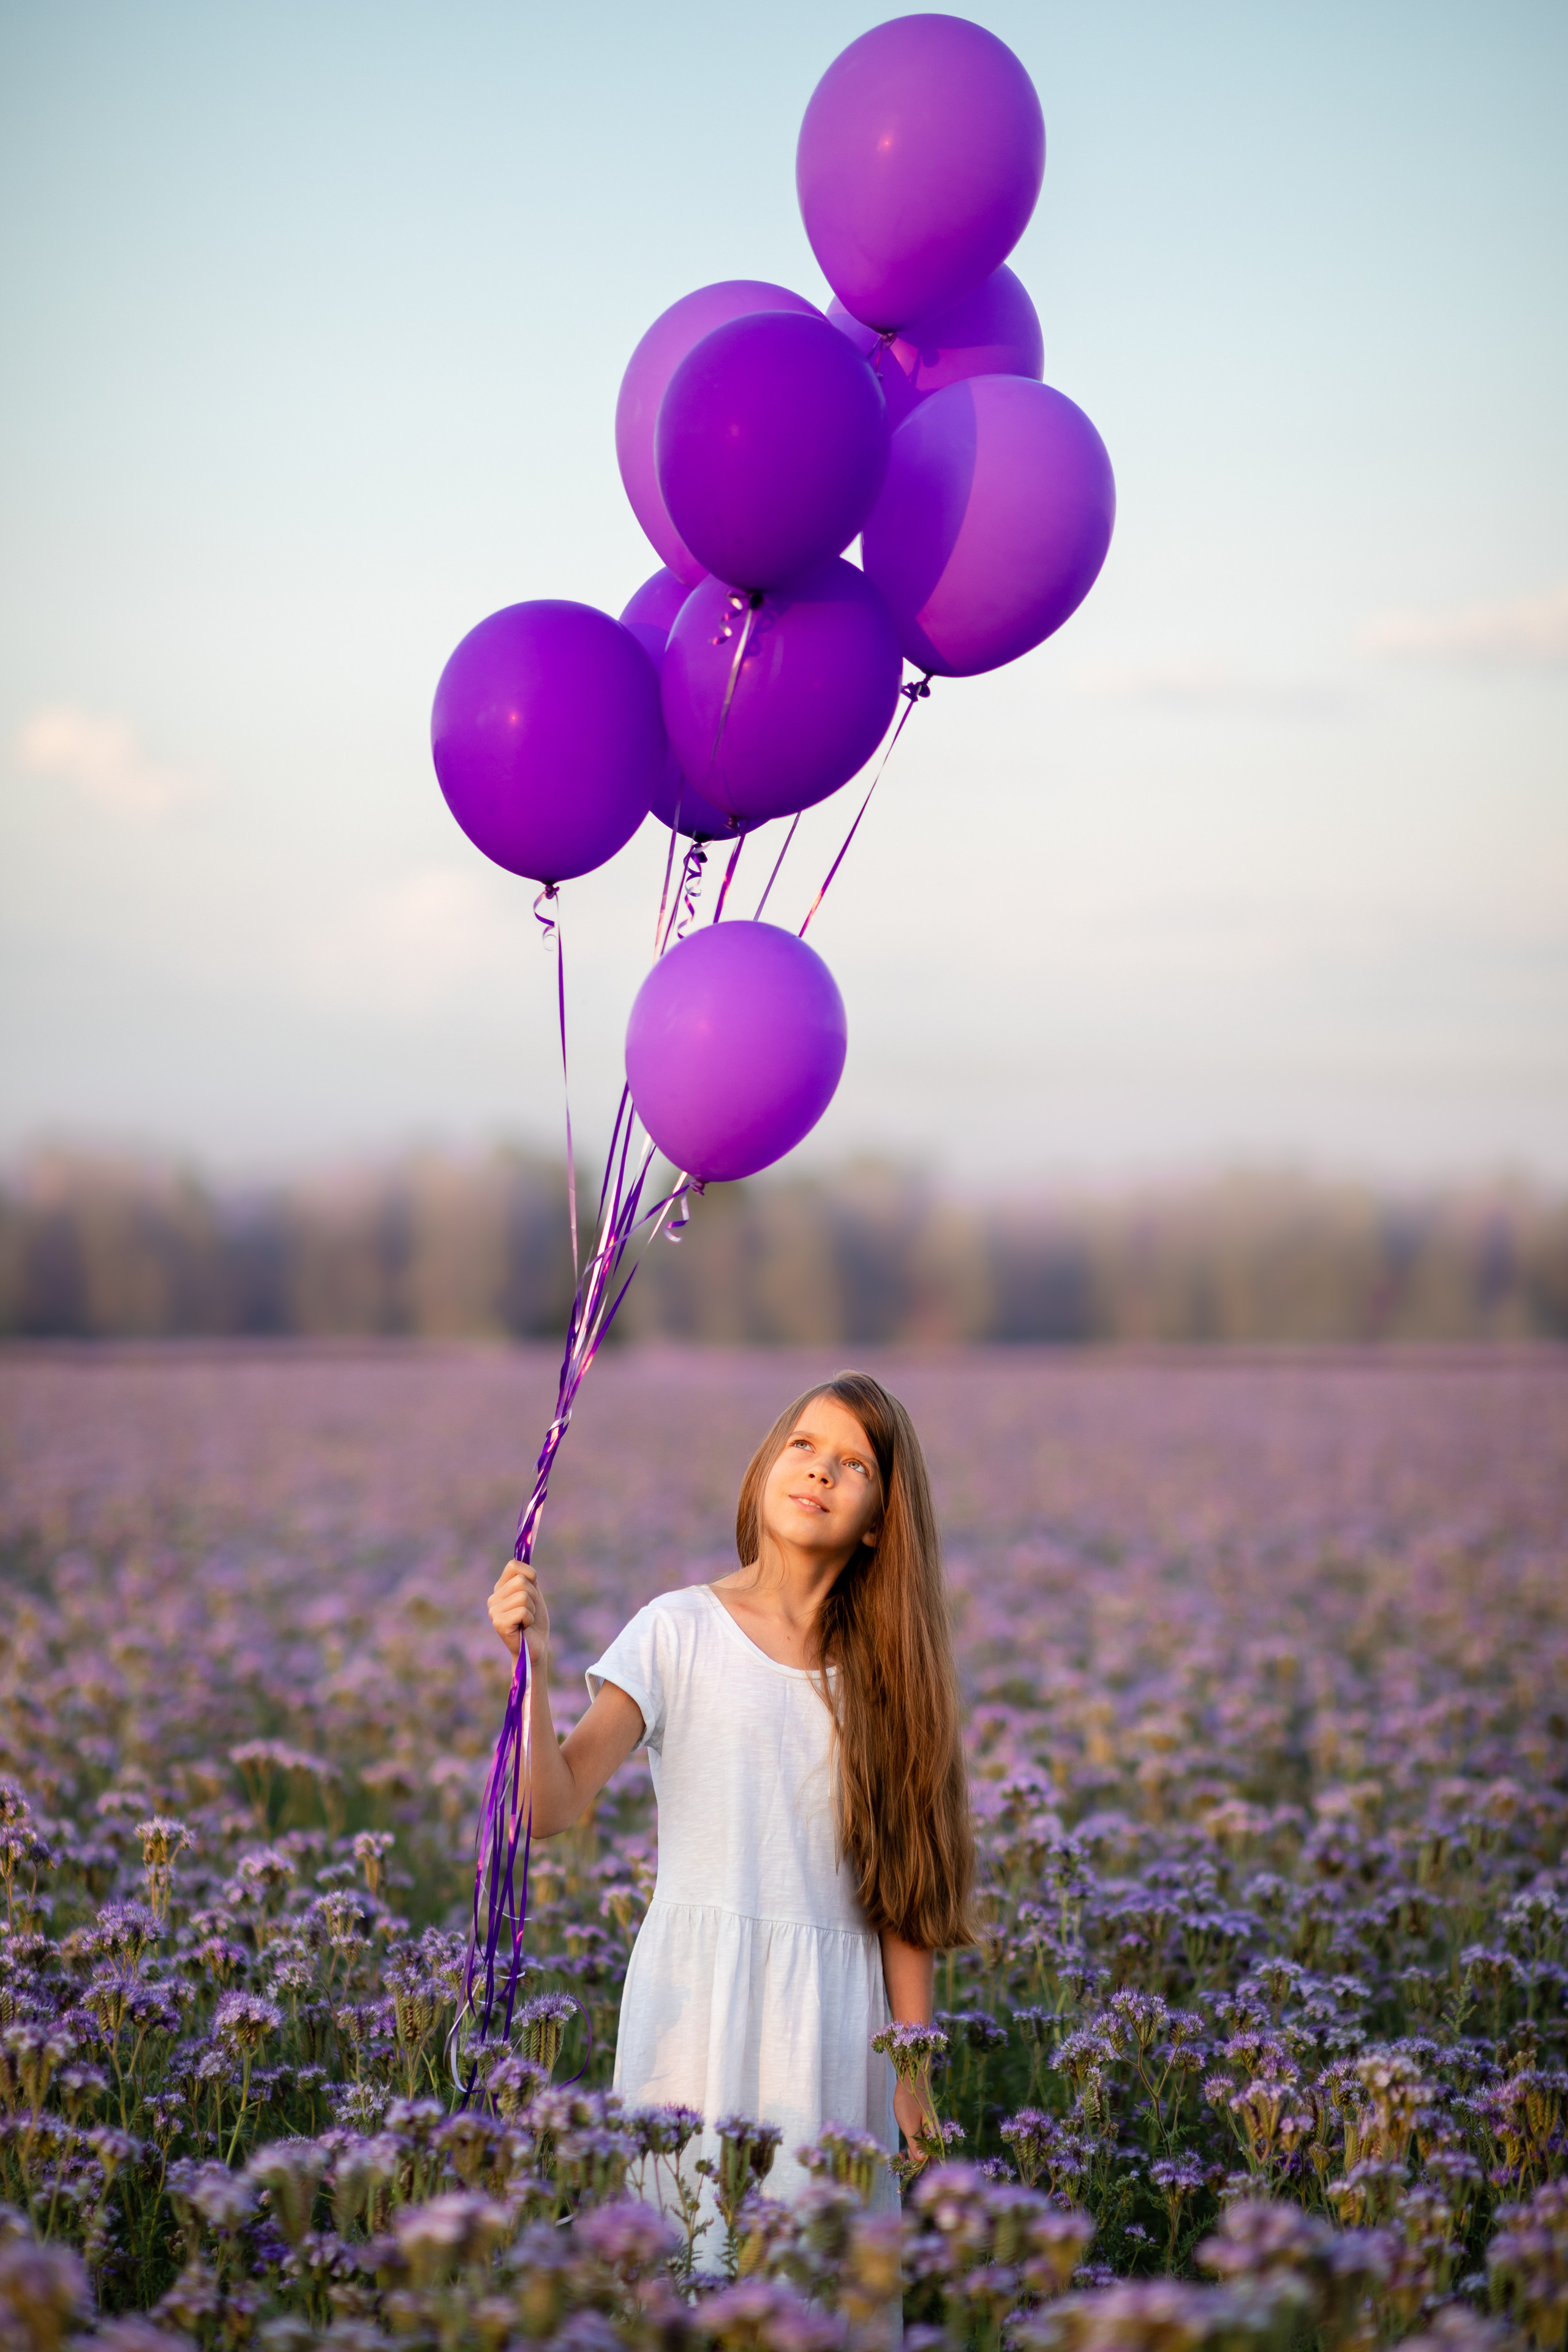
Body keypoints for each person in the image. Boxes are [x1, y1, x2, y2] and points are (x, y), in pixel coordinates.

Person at [486, 1368, 973, 2254]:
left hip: (832, 2022)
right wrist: (534, 1669)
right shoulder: (676, 1630)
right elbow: (549, 1807)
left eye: (853, 1465)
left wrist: (913, 2072)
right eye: (803, 1446)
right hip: (692, 2008)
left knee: (814, 2279)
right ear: (762, 1472)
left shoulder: (889, 1682)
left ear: (878, 1527)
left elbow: (906, 1898)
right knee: (679, 2262)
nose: (820, 1472)